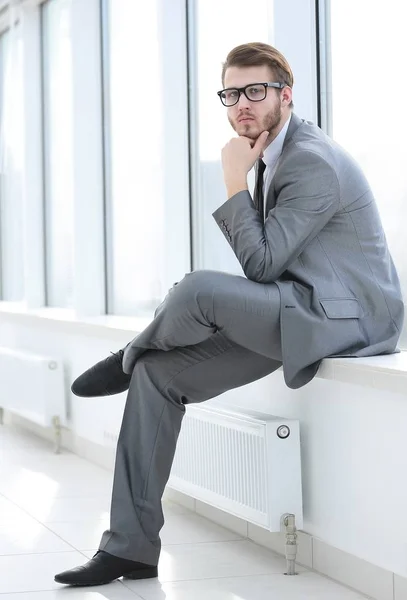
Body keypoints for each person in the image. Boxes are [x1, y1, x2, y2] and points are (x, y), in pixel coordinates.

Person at [54, 42, 404, 586]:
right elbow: (275, 268)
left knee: (196, 291)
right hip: (300, 309)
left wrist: (233, 181)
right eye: (231, 93)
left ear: (285, 95)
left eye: (255, 91)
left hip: (345, 321)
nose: (242, 103)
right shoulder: (271, 153)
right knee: (156, 376)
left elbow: (262, 265)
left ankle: (129, 352)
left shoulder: (309, 159)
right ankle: (130, 547)